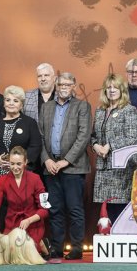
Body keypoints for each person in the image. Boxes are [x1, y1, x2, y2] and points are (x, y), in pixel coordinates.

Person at [39, 72, 92, 261]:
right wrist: (46, 159)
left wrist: (66, 161)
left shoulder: (82, 106)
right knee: (54, 210)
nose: (64, 87)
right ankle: (56, 248)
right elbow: (40, 136)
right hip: (51, 167)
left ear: (73, 87)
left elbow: (84, 136)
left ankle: (76, 248)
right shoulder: (46, 107)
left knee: (74, 208)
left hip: (73, 167)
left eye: (68, 84)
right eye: (61, 84)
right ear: (56, 85)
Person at [0, 86, 43, 220]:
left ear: (21, 104)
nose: (11, 103)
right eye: (8, 100)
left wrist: (17, 165)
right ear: (4, 102)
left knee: (20, 214)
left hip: (22, 177)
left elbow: (35, 146)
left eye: (15, 101)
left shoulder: (29, 123)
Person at [92, 73, 137, 224]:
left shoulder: (129, 110)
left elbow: (132, 137)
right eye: (109, 87)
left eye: (115, 87)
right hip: (103, 167)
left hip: (121, 169)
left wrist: (110, 145)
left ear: (122, 90)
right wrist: (95, 145)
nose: (112, 90)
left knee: (120, 210)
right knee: (106, 212)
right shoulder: (100, 111)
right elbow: (93, 136)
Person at [0, 146, 49, 254]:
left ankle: (43, 244)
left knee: (28, 253)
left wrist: (29, 220)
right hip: (12, 224)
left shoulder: (35, 179)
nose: (15, 167)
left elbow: (44, 209)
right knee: (7, 254)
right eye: (12, 164)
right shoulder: (2, 180)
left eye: (19, 164)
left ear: (25, 162)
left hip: (32, 225)